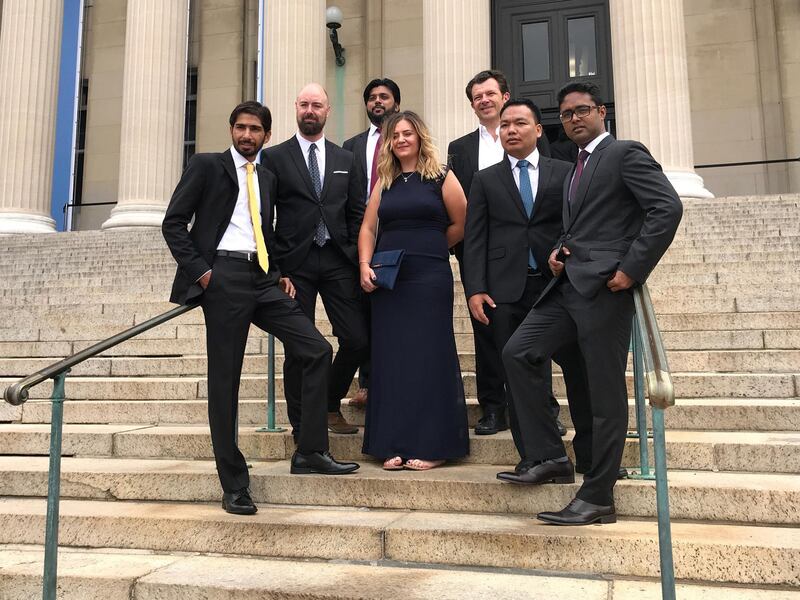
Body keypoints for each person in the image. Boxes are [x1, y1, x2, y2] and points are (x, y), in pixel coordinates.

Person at [162, 101, 360, 516]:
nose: (246, 135)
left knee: (316, 348)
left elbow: (264, 227)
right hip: (222, 278)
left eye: (255, 129)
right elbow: (174, 223)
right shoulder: (206, 166)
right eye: (240, 127)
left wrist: (280, 271)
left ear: (266, 136)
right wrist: (203, 273)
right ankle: (233, 483)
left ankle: (309, 451)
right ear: (232, 130)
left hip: (263, 277)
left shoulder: (267, 175)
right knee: (226, 381)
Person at [501, 82, 682, 525]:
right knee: (518, 352)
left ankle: (598, 496)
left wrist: (631, 269)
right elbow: (585, 223)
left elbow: (666, 207)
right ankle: (549, 455)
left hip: (606, 289)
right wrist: (560, 249)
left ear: (601, 111)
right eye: (566, 114)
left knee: (603, 394)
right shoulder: (574, 164)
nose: (575, 119)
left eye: (582, 110)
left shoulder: (626, 153)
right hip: (567, 285)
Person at [463, 98, 591, 477]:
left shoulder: (566, 172)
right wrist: (475, 289)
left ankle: (591, 455)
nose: (511, 130)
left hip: (559, 288)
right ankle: (537, 456)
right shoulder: (485, 179)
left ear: (538, 130)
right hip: (505, 292)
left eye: (519, 123)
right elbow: (475, 239)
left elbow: (579, 226)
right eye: (505, 125)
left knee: (580, 373)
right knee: (517, 374)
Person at [448, 69, 561, 436]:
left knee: (538, 338)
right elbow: (466, 207)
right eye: (477, 96)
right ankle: (493, 408)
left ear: (505, 96)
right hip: (484, 253)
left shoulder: (526, 133)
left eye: (490, 93)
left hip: (536, 257)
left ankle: (543, 408)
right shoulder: (461, 148)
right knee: (488, 336)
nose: (484, 100)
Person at [358, 111, 469, 471]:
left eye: (408, 133)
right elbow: (368, 229)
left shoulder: (441, 176)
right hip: (389, 282)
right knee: (392, 359)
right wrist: (364, 264)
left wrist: (431, 247)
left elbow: (461, 222)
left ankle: (434, 445)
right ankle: (391, 442)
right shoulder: (384, 181)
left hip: (429, 278)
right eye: (395, 135)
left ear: (420, 136)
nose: (402, 139)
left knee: (428, 357)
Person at [261, 83, 368, 436]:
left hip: (338, 260)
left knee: (357, 339)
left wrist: (354, 254)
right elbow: (264, 215)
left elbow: (356, 211)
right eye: (304, 104)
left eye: (317, 105)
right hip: (296, 266)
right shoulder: (275, 157)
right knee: (298, 346)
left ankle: (329, 402)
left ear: (327, 111)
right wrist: (277, 267)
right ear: (295, 107)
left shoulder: (345, 158)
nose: (310, 110)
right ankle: (300, 423)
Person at [342, 78, 402, 406]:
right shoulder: (351, 146)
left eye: (384, 97)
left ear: (396, 102)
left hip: (397, 230)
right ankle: (366, 382)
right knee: (364, 313)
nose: (378, 102)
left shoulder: (408, 139)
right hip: (361, 236)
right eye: (372, 98)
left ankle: (396, 377)